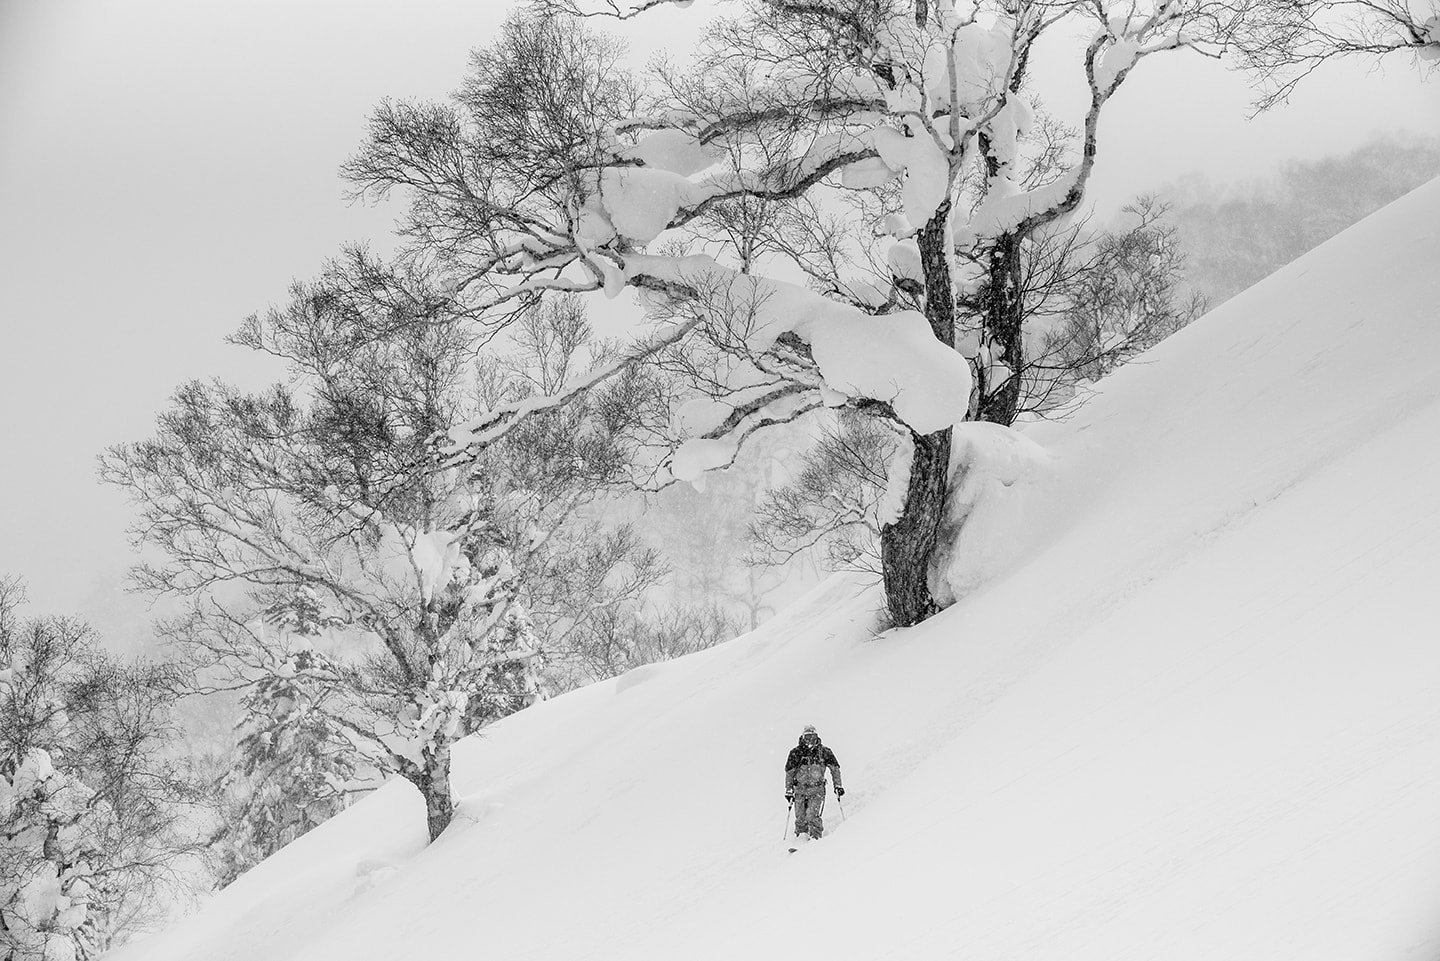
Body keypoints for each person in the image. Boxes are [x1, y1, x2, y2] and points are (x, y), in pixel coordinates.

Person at [784, 724, 844, 840]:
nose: (810, 740)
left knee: (812, 815)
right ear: (802, 738)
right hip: (800, 789)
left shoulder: (824, 752)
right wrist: (789, 790)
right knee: (800, 817)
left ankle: (815, 838)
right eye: (807, 737)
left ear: (817, 736)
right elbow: (789, 773)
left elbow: (835, 769)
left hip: (817, 789)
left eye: (812, 736)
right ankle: (801, 838)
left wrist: (838, 785)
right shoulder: (796, 753)